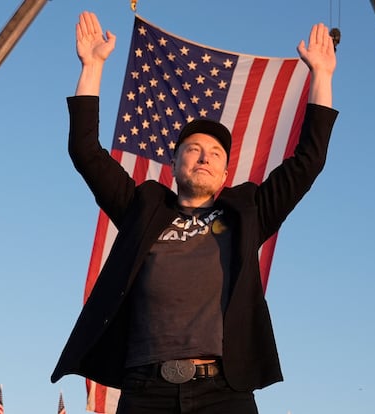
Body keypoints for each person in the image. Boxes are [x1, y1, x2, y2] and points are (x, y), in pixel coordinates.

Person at [51, 11, 338, 414]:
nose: (204, 157)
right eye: (193, 149)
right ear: (174, 166)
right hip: (144, 389)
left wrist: (322, 77)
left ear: (225, 174)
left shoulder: (248, 214)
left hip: (223, 391)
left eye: (215, 154)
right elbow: (85, 151)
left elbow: (307, 161)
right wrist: (93, 67)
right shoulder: (142, 209)